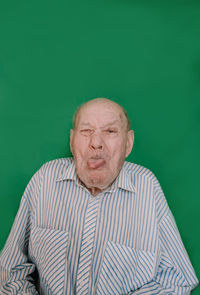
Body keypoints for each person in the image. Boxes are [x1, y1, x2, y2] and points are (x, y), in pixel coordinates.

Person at [0, 98, 198, 295]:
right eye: (86, 131)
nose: (96, 143)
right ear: (71, 141)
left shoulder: (148, 186)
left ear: (128, 143)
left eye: (110, 131)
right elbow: (10, 271)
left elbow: (176, 280)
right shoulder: (45, 179)